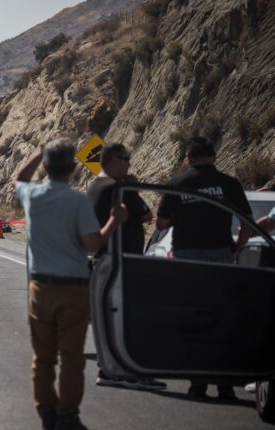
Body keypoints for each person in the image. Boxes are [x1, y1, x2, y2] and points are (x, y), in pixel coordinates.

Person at [15, 138, 126, 430]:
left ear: (47, 167)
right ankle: (68, 416)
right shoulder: (77, 201)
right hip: (74, 288)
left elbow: (20, 178)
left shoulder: (33, 197)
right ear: (74, 169)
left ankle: (47, 413)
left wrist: (39, 153)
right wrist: (114, 221)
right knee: (72, 357)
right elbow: (92, 244)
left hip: (40, 288)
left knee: (43, 358)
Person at [156, 136, 253, 400]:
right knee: (222, 320)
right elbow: (247, 222)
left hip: (187, 259)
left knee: (195, 319)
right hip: (221, 257)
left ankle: (197, 383)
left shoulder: (178, 184)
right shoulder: (230, 184)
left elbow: (162, 224)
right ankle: (224, 385)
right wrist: (238, 248)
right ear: (214, 156)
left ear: (188, 159)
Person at [86, 143, 166, 391]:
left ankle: (111, 369)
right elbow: (146, 215)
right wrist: (132, 187)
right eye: (125, 159)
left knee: (114, 318)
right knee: (131, 319)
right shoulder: (118, 189)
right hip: (121, 260)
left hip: (105, 259)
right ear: (111, 160)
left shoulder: (94, 187)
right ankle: (133, 371)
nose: (129, 164)